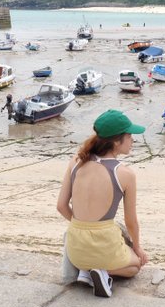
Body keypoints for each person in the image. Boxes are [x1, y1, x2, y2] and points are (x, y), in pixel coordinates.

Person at [57, 109, 149, 297]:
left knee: (113, 238)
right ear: (116, 141)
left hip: (76, 250)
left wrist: (81, 224)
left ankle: (85, 270)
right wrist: (138, 248)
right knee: (135, 266)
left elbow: (61, 206)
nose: (133, 140)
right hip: (104, 244)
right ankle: (100, 272)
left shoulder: (76, 161)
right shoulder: (125, 174)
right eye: (129, 136)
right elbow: (131, 221)